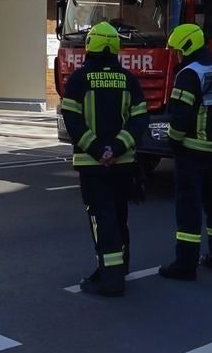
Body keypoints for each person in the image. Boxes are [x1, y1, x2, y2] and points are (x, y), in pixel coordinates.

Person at [60, 21, 147, 297]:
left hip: (93, 164)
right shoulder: (129, 80)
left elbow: (72, 120)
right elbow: (139, 119)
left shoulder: (78, 80)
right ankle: (121, 267)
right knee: (120, 216)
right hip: (123, 164)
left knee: (102, 218)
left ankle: (110, 279)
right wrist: (118, 148)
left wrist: (98, 149)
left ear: (91, 45)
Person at [159, 23, 212, 281]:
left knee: (188, 209)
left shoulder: (188, 74)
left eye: (178, 50)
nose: (177, 55)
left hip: (191, 150)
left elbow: (181, 116)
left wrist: (173, 141)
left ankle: (185, 265)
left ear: (187, 47)